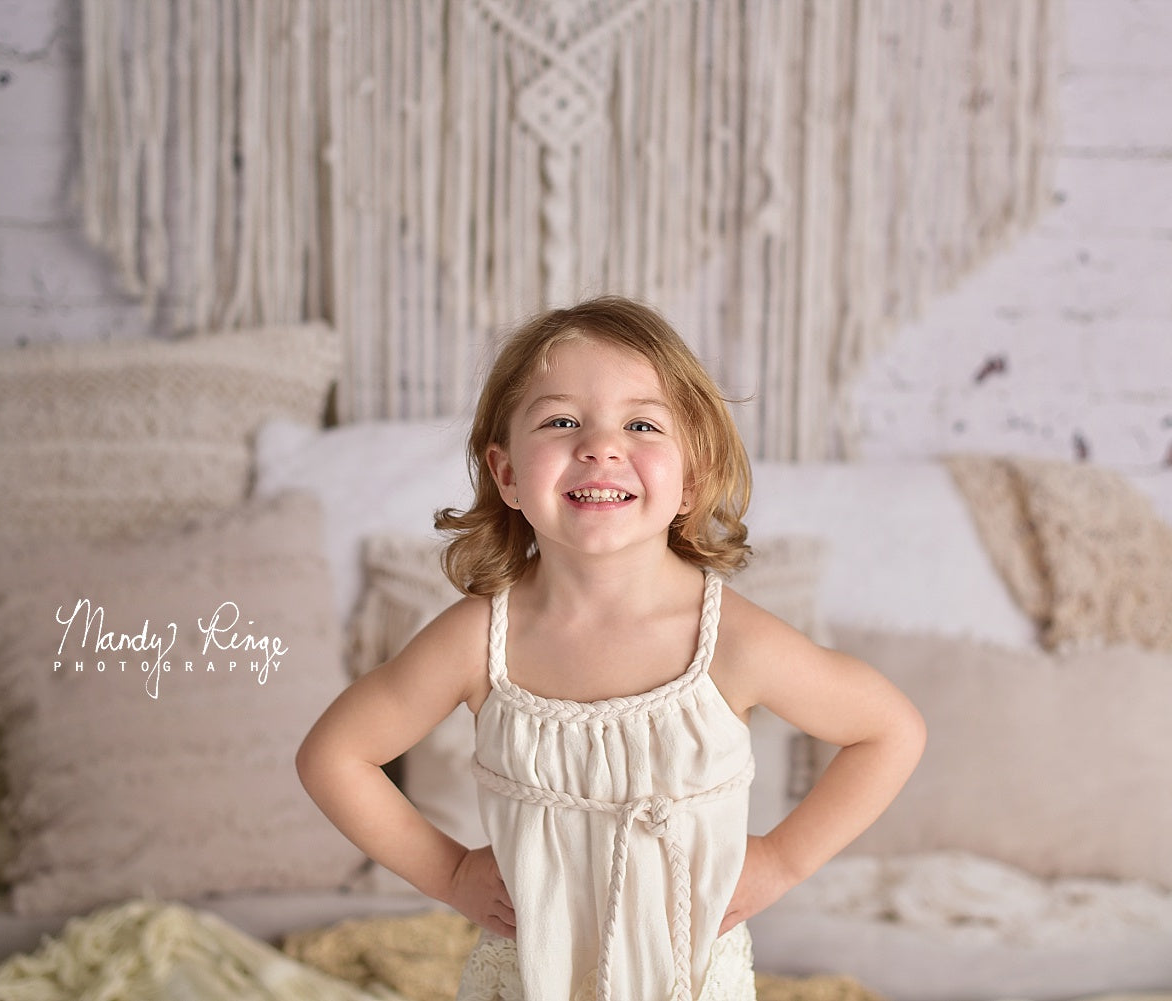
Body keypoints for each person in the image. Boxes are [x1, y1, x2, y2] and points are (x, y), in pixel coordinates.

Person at [296, 296, 926, 1001]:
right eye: (561, 420)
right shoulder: (480, 639)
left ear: (690, 476)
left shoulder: (730, 641)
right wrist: (449, 873)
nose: (600, 445)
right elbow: (333, 755)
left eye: (641, 423)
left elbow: (889, 729)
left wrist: (778, 860)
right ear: (506, 474)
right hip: (531, 974)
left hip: (684, 976)